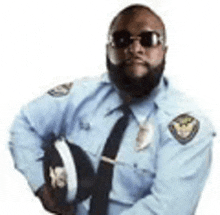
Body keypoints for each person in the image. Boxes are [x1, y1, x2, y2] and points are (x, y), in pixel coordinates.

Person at [9, 4, 215, 215]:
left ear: (163, 51)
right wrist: (43, 188)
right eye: (122, 40)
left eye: (149, 39)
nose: (135, 50)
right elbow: (26, 124)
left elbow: (168, 208)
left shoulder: (187, 126)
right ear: (109, 50)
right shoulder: (83, 95)